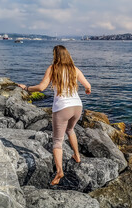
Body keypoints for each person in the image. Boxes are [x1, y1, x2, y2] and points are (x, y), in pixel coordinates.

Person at [18, 45, 91, 186]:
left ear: (55, 55)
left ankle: (59, 172)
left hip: (63, 108)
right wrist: (87, 90)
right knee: (70, 130)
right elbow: (88, 85)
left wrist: (26, 88)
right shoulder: (74, 69)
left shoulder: (53, 68)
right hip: (77, 106)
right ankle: (77, 155)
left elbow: (41, 88)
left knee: (57, 141)